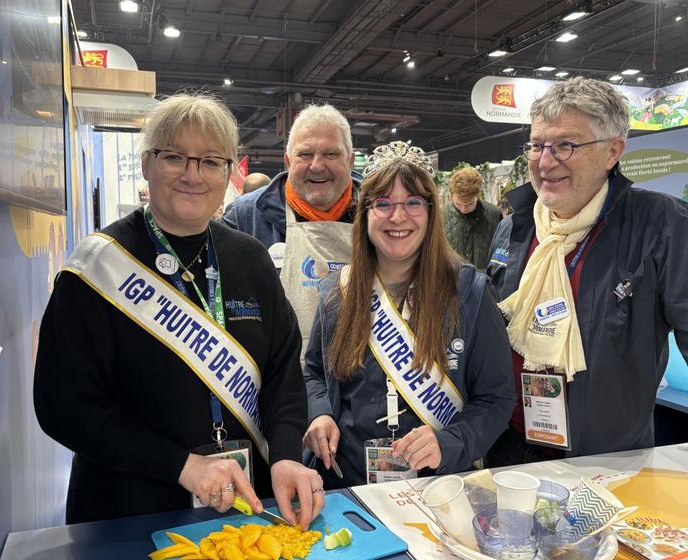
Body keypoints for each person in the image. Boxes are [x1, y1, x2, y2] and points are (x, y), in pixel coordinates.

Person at [34, 93, 324, 526]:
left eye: (210, 161)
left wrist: (284, 456)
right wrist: (180, 464)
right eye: (175, 157)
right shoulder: (98, 268)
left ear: (227, 173)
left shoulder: (250, 258)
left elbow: (283, 373)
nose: (193, 175)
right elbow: (63, 407)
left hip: (244, 509)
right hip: (129, 512)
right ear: (147, 165)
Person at [486, 77, 688, 467]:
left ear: (613, 151)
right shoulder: (514, 228)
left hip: (609, 464)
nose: (545, 162)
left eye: (565, 145)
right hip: (509, 453)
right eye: (536, 145)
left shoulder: (663, 226)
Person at [302, 141, 515, 489]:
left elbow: (497, 398)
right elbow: (314, 370)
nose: (398, 217)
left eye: (413, 202)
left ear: (431, 212)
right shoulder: (336, 291)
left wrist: (450, 442)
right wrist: (321, 412)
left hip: (440, 488)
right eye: (383, 203)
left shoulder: (470, 292)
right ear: (365, 215)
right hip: (349, 485)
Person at [221, 105, 359, 353]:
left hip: (361, 379)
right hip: (280, 380)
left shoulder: (379, 213)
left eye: (330, 154)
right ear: (288, 161)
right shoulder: (246, 216)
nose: (317, 165)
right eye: (305, 155)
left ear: (350, 161)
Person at [444, 166, 502, 270]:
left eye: (469, 204)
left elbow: (501, 251)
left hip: (485, 282)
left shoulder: (494, 214)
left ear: (478, 195)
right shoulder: (441, 215)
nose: (463, 209)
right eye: (458, 204)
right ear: (451, 196)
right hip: (450, 280)